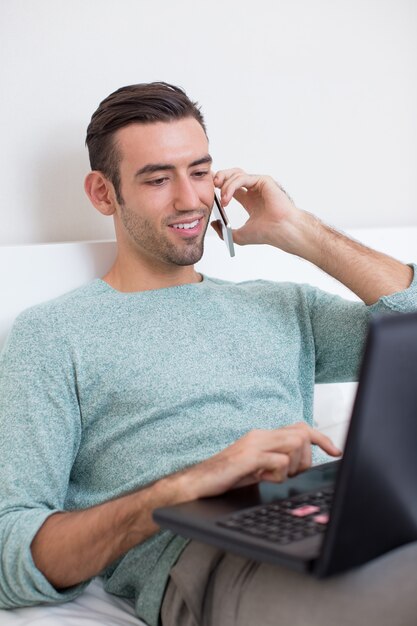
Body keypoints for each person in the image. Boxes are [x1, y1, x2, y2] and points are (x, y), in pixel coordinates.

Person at [0, 82, 416, 626]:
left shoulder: (281, 304)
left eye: (199, 172)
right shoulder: (51, 336)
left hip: (332, 517)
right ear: (103, 194)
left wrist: (300, 230)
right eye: (157, 179)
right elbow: (12, 553)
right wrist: (190, 484)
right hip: (209, 562)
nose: (190, 199)